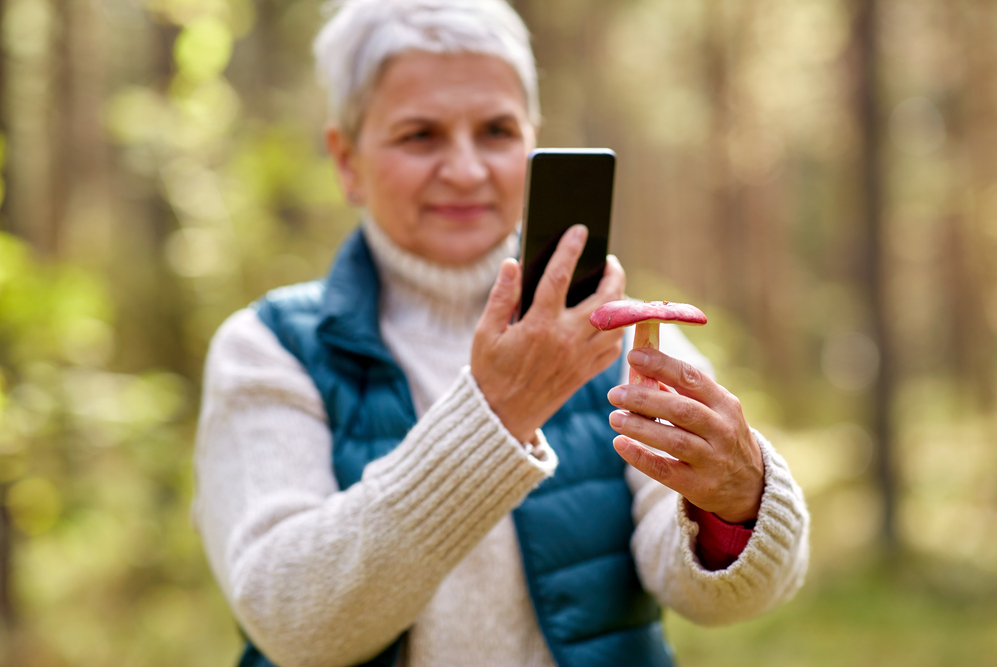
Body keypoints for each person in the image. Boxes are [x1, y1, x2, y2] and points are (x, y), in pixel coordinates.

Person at [191, 1, 810, 666]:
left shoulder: (618, 336)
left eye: (496, 130)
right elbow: (292, 623)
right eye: (419, 135)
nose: (465, 169)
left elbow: (725, 596)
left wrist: (738, 502)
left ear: (532, 140)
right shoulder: (270, 348)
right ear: (346, 160)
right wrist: (497, 413)